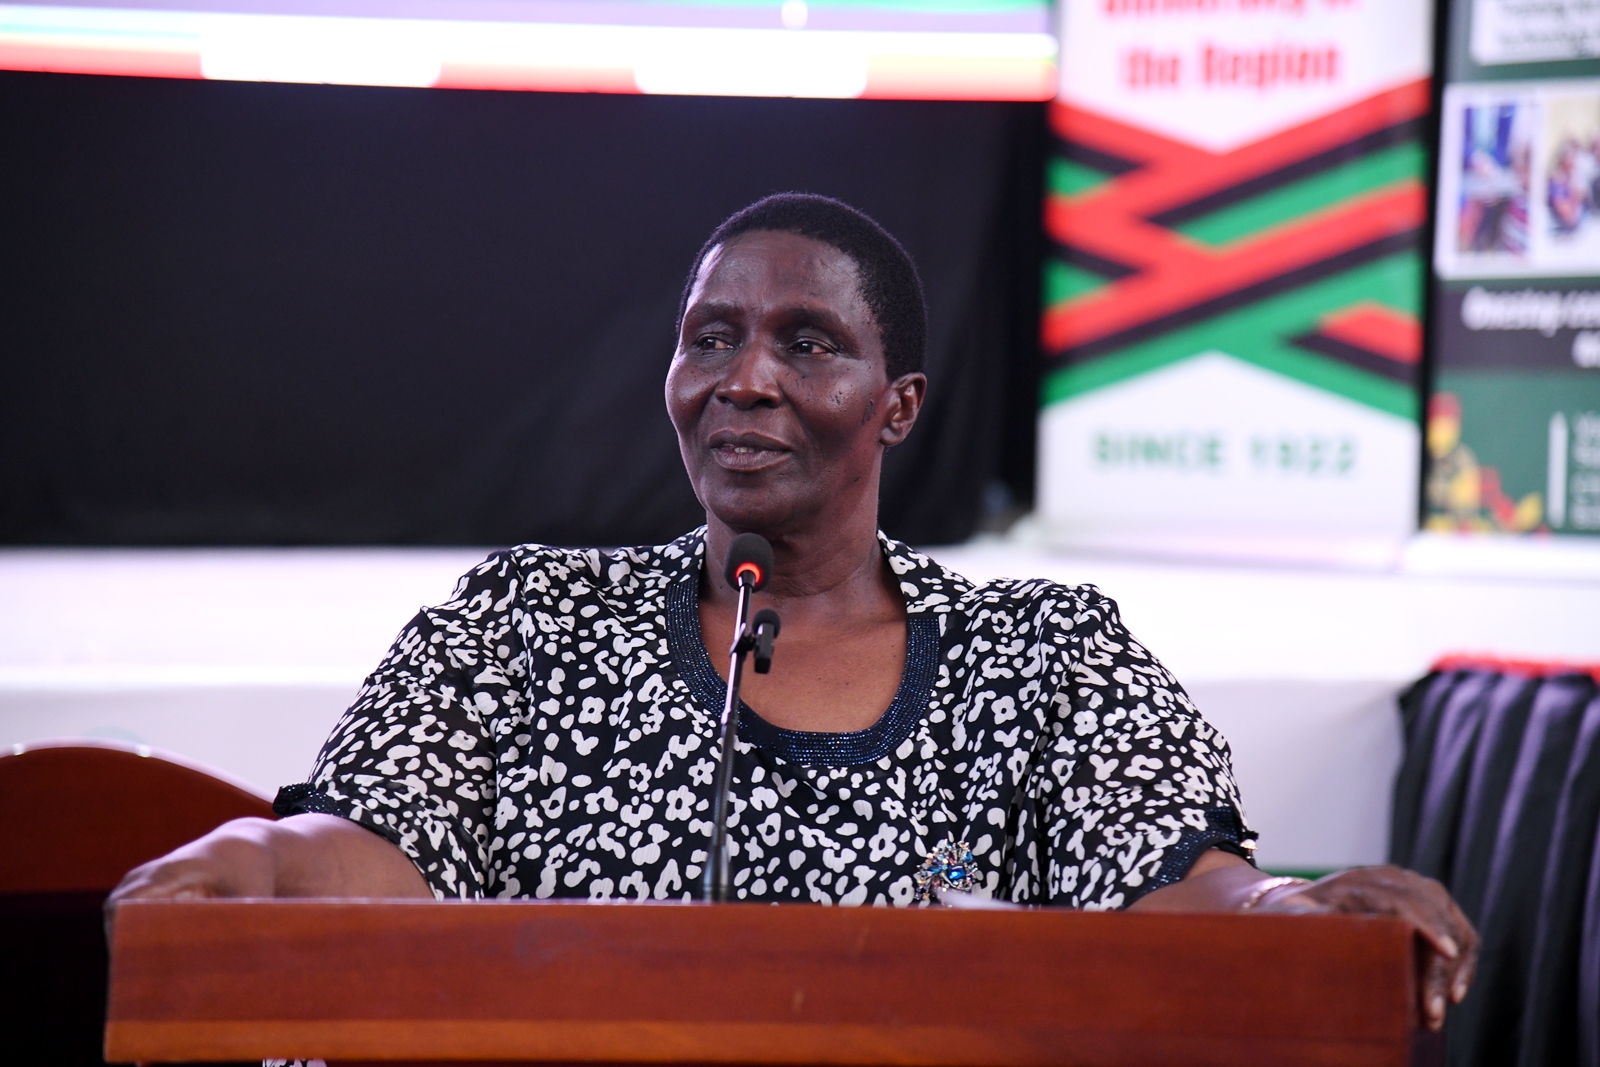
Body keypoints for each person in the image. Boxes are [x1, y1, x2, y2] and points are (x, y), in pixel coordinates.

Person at [110, 193, 1477, 1030]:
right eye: (711, 336)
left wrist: (1287, 917)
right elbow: (366, 851)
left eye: (808, 343)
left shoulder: (1048, 656)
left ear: (901, 404)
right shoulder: (526, 622)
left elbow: (1176, 895)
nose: (743, 378)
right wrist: (251, 861)